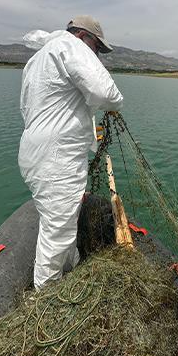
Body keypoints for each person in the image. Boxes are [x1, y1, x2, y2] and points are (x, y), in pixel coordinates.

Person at [18, 16, 123, 290]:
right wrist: (114, 104)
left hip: (35, 151)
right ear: (81, 35)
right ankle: (47, 302)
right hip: (57, 159)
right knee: (58, 232)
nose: (96, 53)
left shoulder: (37, 60)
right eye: (97, 46)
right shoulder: (71, 47)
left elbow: (29, 109)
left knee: (60, 221)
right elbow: (107, 92)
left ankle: (70, 272)